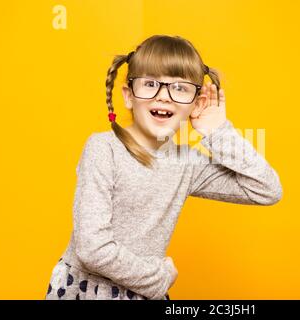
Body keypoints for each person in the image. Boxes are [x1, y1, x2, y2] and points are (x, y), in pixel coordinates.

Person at [45, 34, 283, 300]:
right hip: (88, 292)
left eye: (180, 88)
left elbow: (266, 189)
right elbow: (92, 249)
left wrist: (216, 131)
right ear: (128, 95)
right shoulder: (103, 149)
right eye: (150, 84)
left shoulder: (186, 164)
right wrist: (159, 278)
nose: (164, 97)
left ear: (196, 103)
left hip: (144, 293)